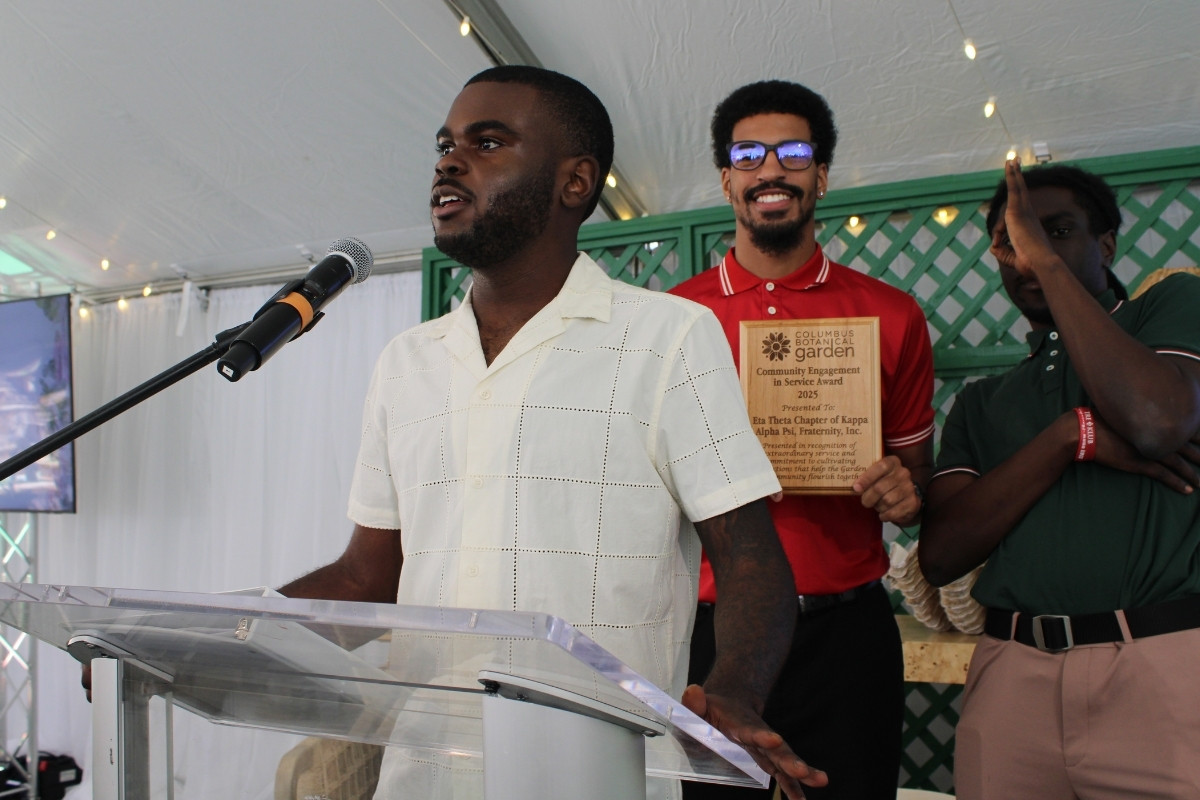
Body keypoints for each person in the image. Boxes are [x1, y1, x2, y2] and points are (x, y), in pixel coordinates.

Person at [276, 66, 827, 800]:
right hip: (426, 773)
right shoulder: (406, 363)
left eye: (488, 141)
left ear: (576, 182)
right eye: (445, 144)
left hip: (596, 778)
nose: (448, 160)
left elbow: (750, 554)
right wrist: (200, 637)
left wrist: (735, 691)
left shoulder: (667, 337)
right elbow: (365, 577)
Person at [669, 80, 935, 800]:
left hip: (842, 635)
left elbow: (916, 493)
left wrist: (903, 494)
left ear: (820, 175)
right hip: (706, 637)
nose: (771, 170)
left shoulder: (892, 314)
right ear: (728, 179)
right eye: (749, 155)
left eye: (793, 153)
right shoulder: (670, 321)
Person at [918, 161, 1200, 799]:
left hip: (1159, 661)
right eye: (1014, 241)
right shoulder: (985, 402)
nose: (1030, 251)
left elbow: (1159, 421)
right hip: (1014, 671)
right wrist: (1067, 438)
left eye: (1057, 232)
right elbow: (942, 554)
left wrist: (1043, 261)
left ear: (1106, 245)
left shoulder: (1168, 311)